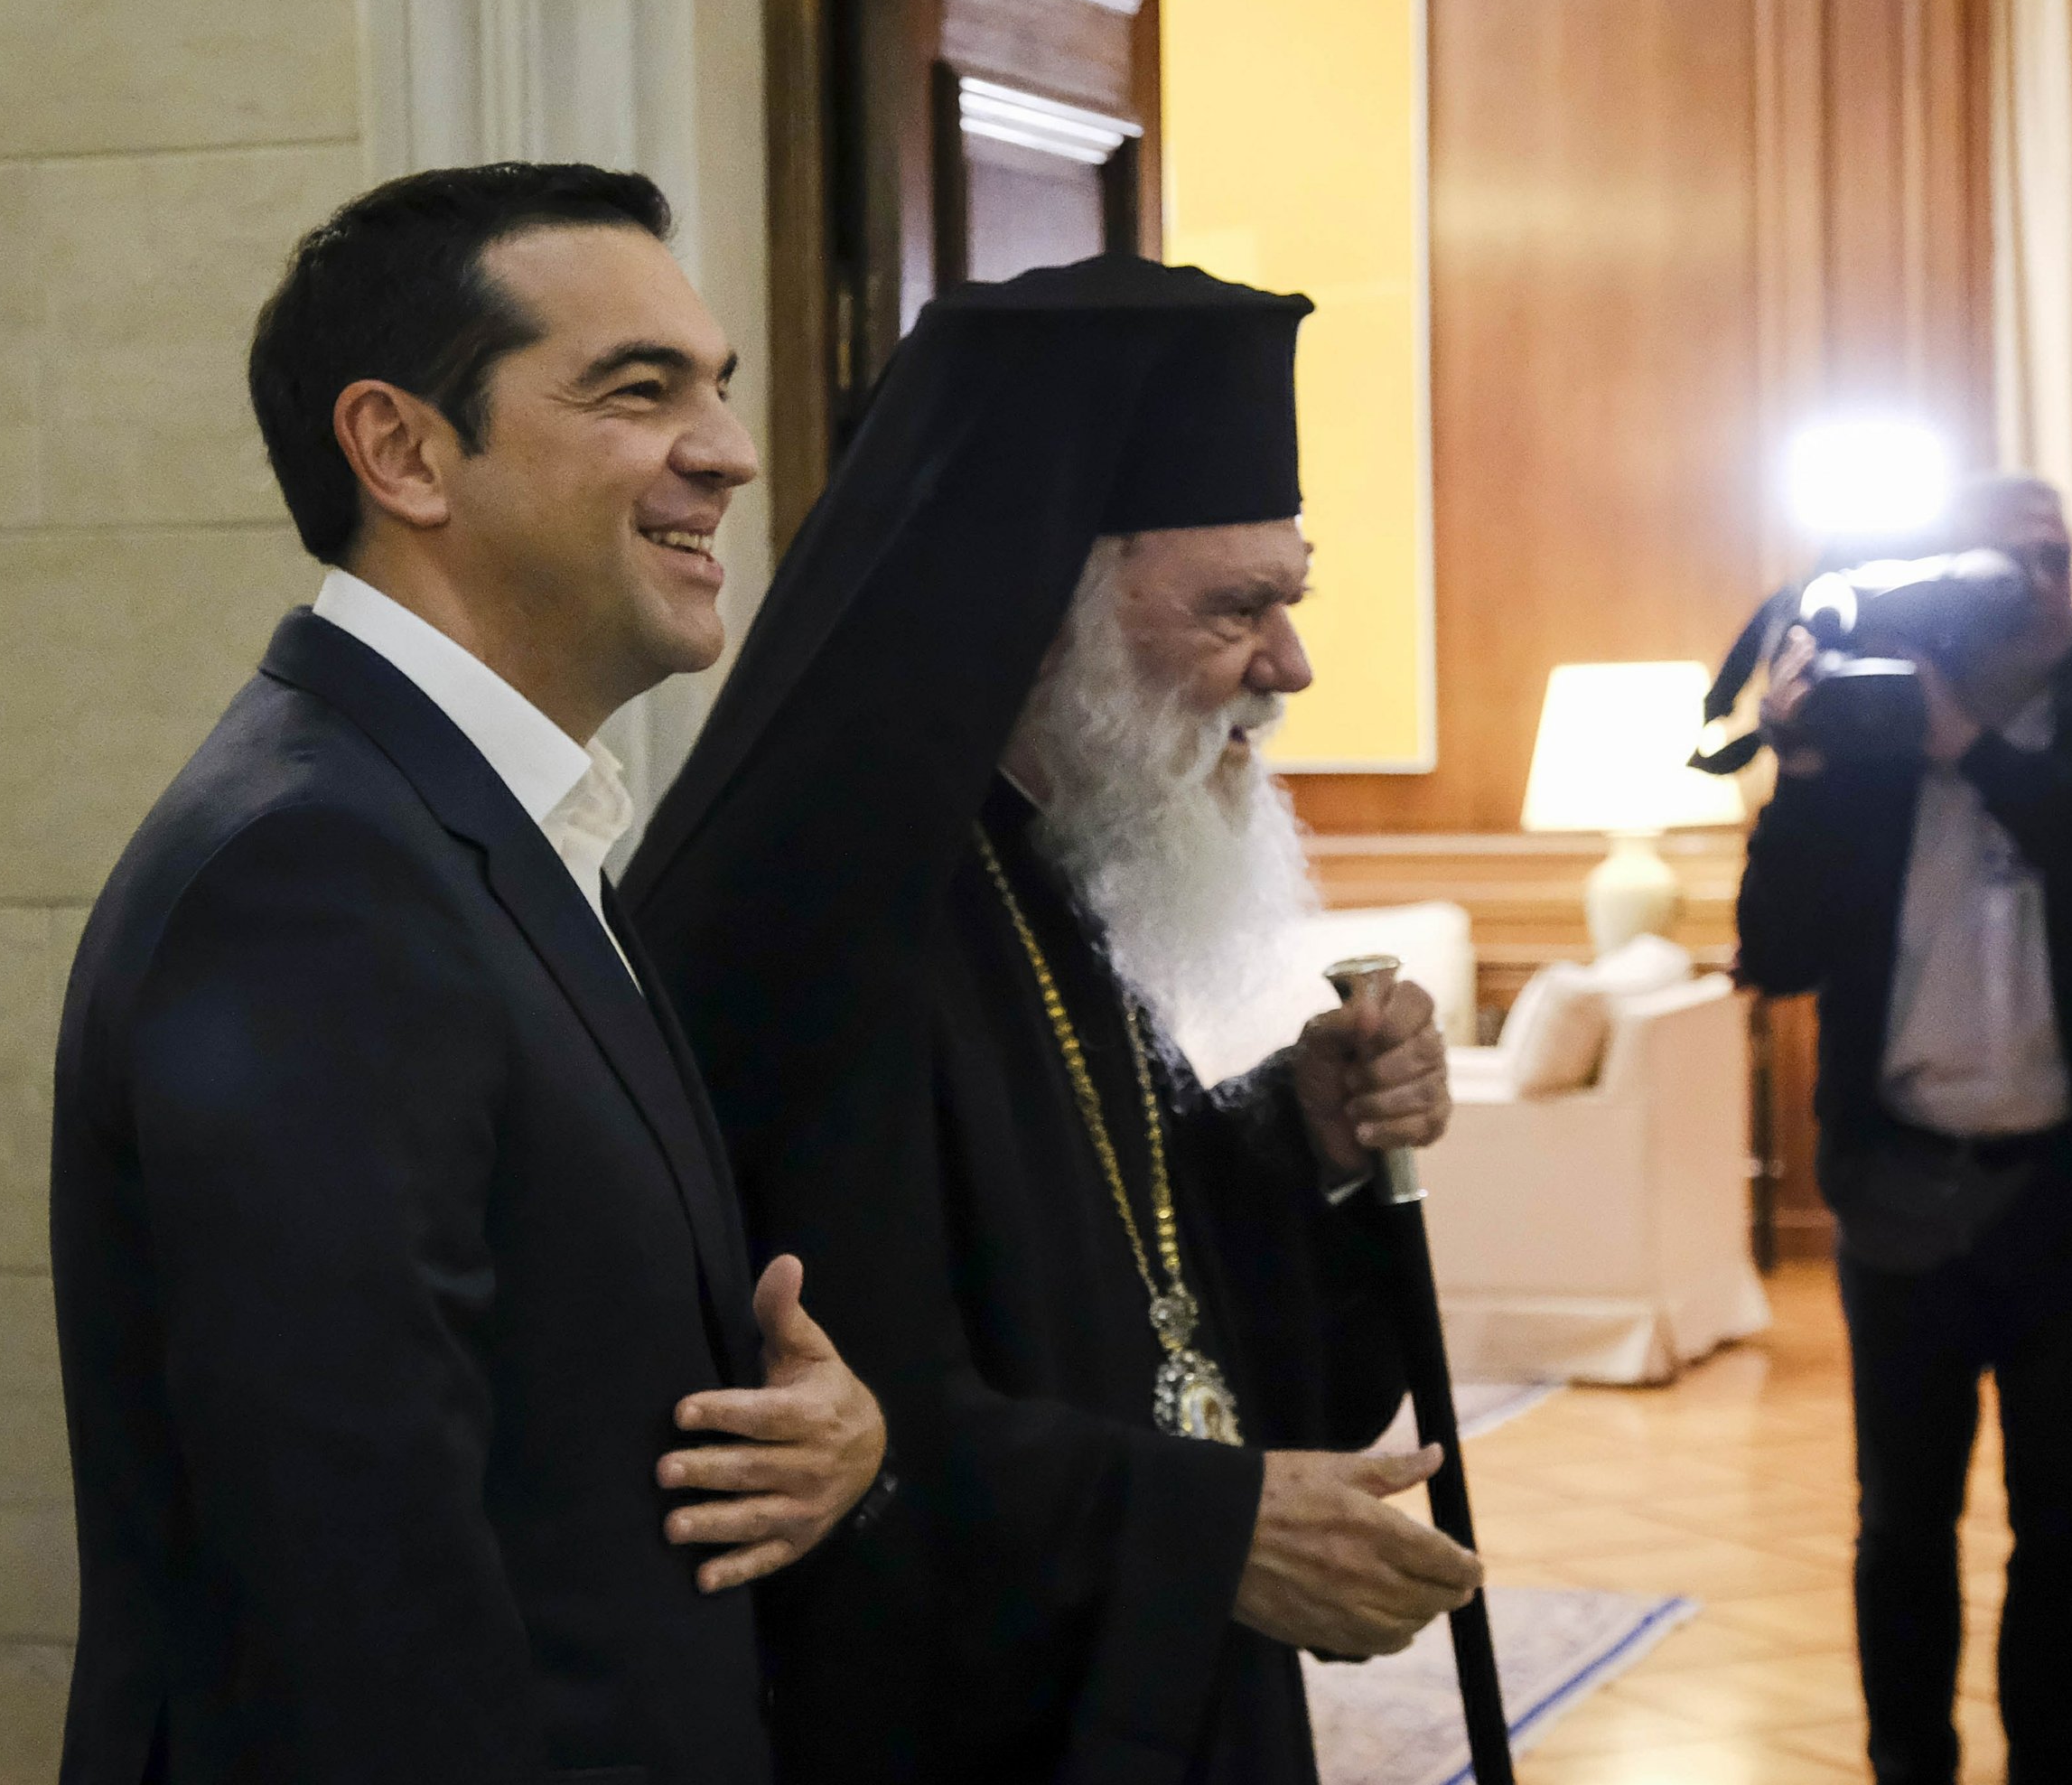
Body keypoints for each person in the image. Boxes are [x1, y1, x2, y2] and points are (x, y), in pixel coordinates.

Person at [49, 164, 886, 1785]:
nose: (727, 448)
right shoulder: (317, 870)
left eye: (715, 386)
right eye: (638, 390)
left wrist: (815, 1438)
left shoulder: (480, 812)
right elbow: (351, 1596)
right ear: (405, 453)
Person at [622, 253, 1481, 1783]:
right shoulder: (814, 923)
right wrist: (1214, 1531)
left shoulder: (1049, 861)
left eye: (1290, 600)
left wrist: (1302, 1143)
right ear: (1038, 607)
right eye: (1238, 608)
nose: (1289, 666)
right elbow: (824, 1430)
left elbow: (1130, 1296)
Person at [1735, 475, 2072, 1785]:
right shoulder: (1868, 758)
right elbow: (1775, 954)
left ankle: (2052, 1763)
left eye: (2054, 562)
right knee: (1903, 1523)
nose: (2036, 590)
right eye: (2003, 566)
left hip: (2071, 1196)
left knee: (2069, 1525)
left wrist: (1974, 749)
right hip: (1901, 1189)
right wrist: (1801, 768)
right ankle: (1909, 1767)